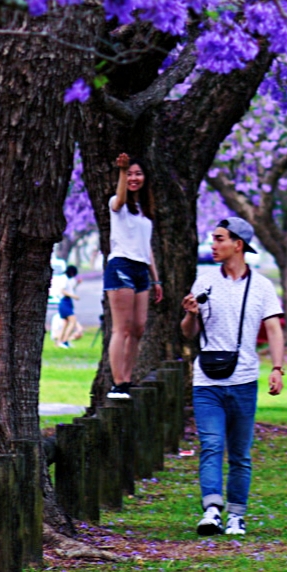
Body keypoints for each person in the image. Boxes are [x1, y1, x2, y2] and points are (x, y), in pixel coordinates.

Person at [181, 217, 285, 538]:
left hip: (243, 380)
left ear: (237, 245)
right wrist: (189, 314)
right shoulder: (204, 281)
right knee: (211, 445)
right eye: (212, 239)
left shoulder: (263, 287)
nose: (213, 245)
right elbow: (187, 334)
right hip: (207, 381)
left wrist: (277, 368)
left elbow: (274, 329)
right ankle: (212, 510)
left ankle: (236, 515)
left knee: (240, 454)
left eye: (219, 239)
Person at [104, 152, 163, 400]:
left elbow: (146, 247)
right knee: (122, 328)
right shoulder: (117, 204)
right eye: (130, 174)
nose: (134, 178)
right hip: (121, 267)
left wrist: (156, 279)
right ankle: (118, 382)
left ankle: (128, 379)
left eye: (138, 173)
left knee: (138, 328)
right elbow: (119, 200)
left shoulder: (143, 211)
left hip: (141, 270)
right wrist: (122, 170)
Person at [54, 265, 84, 348]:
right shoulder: (64, 279)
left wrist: (77, 284)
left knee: (65, 323)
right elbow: (63, 291)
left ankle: (59, 342)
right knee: (73, 322)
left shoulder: (67, 280)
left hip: (67, 302)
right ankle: (65, 340)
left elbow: (70, 289)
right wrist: (74, 296)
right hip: (64, 302)